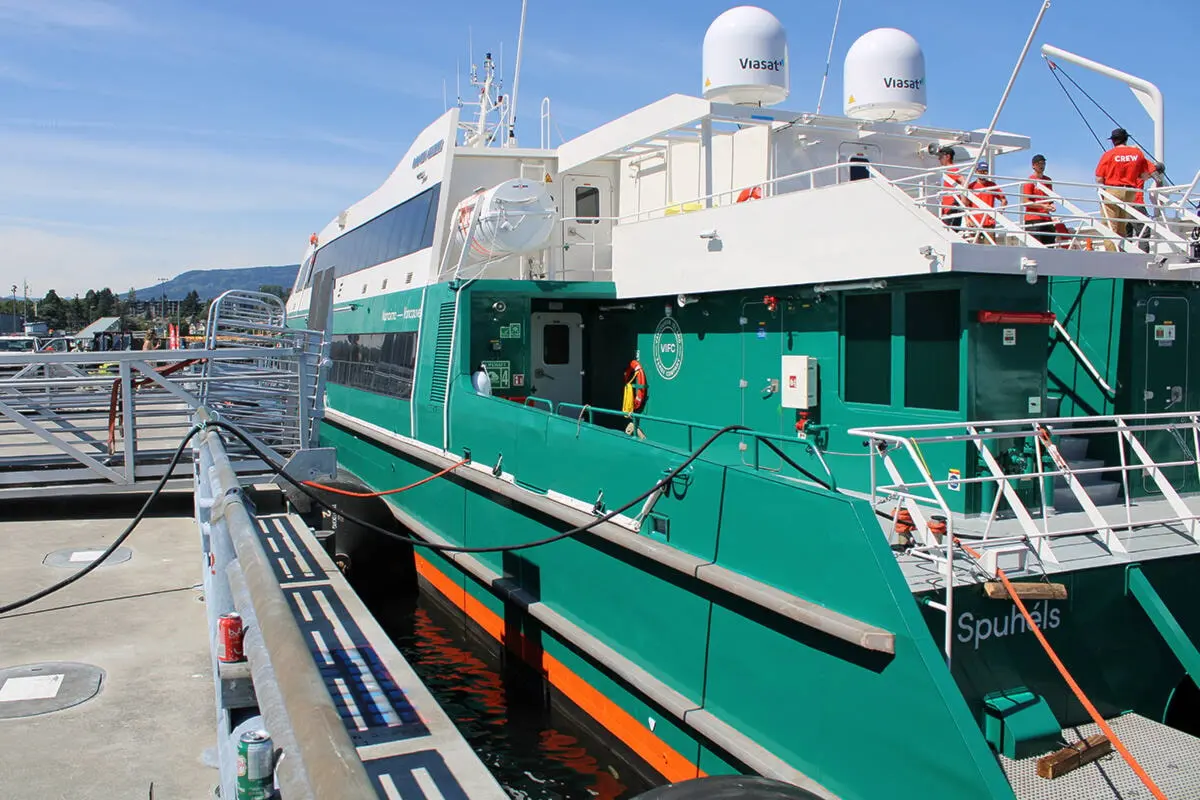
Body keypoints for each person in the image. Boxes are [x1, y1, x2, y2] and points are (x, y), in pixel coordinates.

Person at [1094, 127, 1162, 242]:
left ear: (1113, 141)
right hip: (1131, 193)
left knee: (1109, 227)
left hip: (1113, 191)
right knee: (1122, 228)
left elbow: (1099, 178)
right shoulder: (1137, 154)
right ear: (1126, 139)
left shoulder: (1108, 155)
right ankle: (1122, 252)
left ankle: (1113, 255)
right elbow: (1144, 175)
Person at [966, 161, 1006, 243]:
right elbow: (965, 204)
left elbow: (1004, 200)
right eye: (981, 171)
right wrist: (967, 219)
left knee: (991, 249)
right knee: (973, 248)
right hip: (974, 222)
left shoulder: (992, 185)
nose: (982, 173)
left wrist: (998, 214)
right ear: (976, 171)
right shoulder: (971, 186)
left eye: (985, 171)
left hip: (989, 223)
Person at [1021, 154, 1057, 246]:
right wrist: (1042, 206)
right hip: (1033, 218)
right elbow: (1025, 201)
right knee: (1035, 247)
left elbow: (1050, 199)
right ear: (1033, 165)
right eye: (1039, 164)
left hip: (1046, 218)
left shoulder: (1048, 180)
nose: (1041, 166)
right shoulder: (1030, 180)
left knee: (1050, 246)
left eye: (1043, 163)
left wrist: (1051, 205)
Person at [937, 145, 965, 230]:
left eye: (941, 157)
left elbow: (963, 181)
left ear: (948, 156)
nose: (939, 159)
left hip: (952, 206)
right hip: (947, 208)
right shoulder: (947, 170)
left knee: (950, 232)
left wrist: (963, 200)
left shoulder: (952, 169)